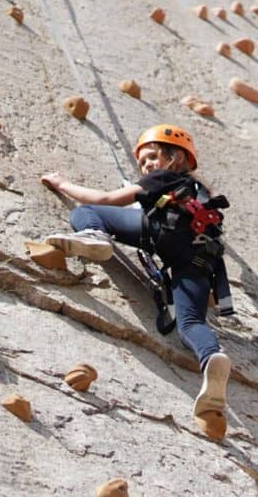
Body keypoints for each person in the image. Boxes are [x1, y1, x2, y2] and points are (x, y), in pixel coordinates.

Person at [41, 124, 232, 439]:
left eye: (153, 157)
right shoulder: (203, 194)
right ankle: (212, 356)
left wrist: (64, 183)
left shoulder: (166, 179)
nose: (147, 166)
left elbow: (106, 197)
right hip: (199, 261)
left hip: (163, 235)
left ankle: (94, 234)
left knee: (89, 209)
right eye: (143, 163)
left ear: (178, 157)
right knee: (191, 324)